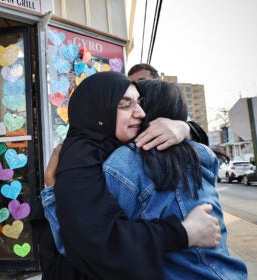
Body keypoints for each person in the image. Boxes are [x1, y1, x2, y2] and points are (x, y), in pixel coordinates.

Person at [39, 72, 221, 280]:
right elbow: (98, 243)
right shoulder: (81, 162)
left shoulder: (111, 145)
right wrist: (184, 232)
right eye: (126, 105)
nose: (141, 113)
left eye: (139, 103)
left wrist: (184, 128)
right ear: (100, 110)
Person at [102, 80, 247, 279]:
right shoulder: (200, 153)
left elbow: (91, 239)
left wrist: (53, 188)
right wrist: (185, 128)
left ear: (143, 110)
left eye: (135, 103)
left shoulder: (125, 162)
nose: (133, 111)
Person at [128, 62, 210, 148]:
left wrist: (185, 129)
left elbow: (201, 139)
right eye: (132, 83)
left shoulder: (176, 108)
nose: (136, 86)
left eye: (142, 80)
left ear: (158, 80)